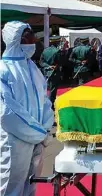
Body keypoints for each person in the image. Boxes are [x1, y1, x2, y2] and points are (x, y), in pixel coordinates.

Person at [1, 21, 54, 195]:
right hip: (15, 142)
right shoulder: (4, 70)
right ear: (15, 39)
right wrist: (38, 133)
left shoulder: (32, 68)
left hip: (37, 139)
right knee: (11, 187)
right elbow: (8, 113)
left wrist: (46, 127)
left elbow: (44, 100)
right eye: (28, 37)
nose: (33, 41)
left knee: (31, 185)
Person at [40, 35, 62, 110]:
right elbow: (61, 62)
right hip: (54, 73)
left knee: (46, 89)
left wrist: (48, 66)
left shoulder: (45, 50)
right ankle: (50, 106)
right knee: (53, 90)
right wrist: (54, 66)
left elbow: (41, 62)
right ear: (57, 42)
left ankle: (45, 103)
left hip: (46, 72)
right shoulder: (57, 51)